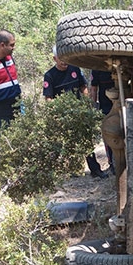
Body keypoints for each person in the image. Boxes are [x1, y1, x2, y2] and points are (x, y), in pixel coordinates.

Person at [43, 46, 108, 179]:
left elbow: (83, 87)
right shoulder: (49, 76)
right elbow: (48, 98)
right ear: (54, 59)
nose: (63, 61)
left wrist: (86, 105)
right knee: (65, 144)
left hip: (79, 112)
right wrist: (55, 115)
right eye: (60, 59)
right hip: (63, 115)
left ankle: (95, 170)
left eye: (65, 58)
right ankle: (68, 171)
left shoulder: (75, 69)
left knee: (86, 143)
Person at [90, 70, 116, 175]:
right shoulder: (96, 68)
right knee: (109, 136)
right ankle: (112, 164)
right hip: (105, 108)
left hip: (124, 104)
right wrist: (93, 109)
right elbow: (94, 88)